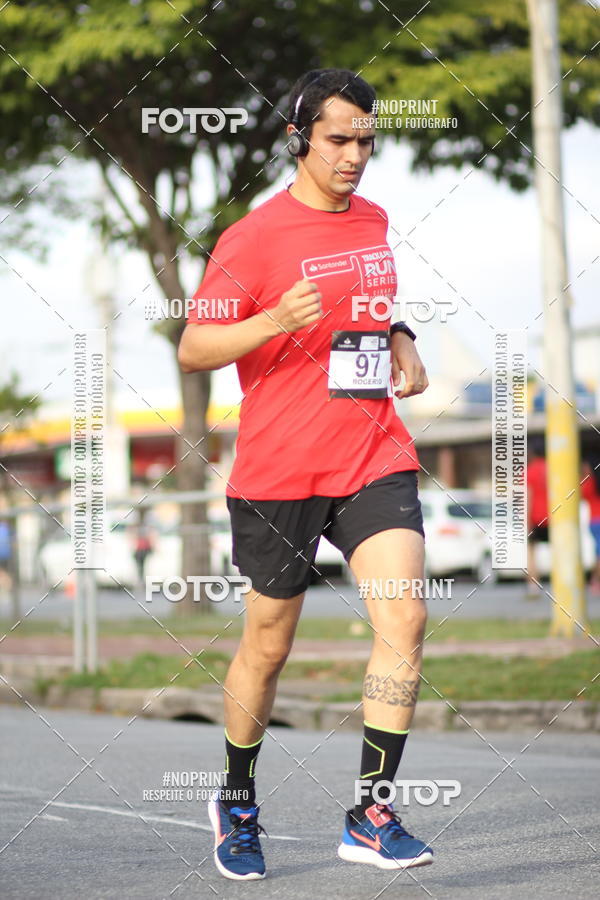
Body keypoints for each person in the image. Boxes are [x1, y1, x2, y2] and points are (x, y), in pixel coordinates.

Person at [178, 68, 433, 880]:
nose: (356, 155)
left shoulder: (375, 217)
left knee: (406, 620)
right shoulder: (251, 238)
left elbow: (368, 294)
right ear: (298, 140)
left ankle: (370, 810)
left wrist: (399, 333)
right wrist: (270, 321)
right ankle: (238, 800)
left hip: (371, 453)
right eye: (339, 139)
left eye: (366, 139)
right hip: (281, 468)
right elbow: (195, 347)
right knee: (269, 644)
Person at [526, 436, 548, 599]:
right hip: (554, 516)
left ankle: (533, 586)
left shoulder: (530, 471)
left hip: (535, 517)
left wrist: (527, 521)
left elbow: (528, 497)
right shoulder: (553, 469)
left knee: (532, 553)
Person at [581, 457, 600, 594]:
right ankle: (595, 580)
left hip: (594, 521)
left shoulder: (589, 483)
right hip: (596, 522)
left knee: (598, 554)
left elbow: (579, 493)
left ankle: (595, 580)